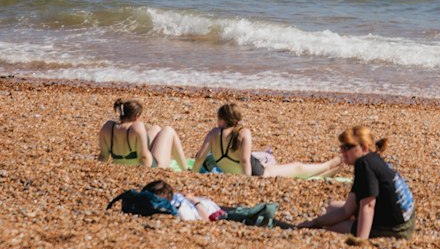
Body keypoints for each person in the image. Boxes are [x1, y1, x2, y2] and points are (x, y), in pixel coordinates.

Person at [287, 125, 415, 239]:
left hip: (396, 229)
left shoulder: (364, 164)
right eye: (342, 147)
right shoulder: (373, 159)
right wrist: (314, 222)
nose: (342, 151)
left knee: (332, 226)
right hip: (405, 219)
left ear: (364, 147)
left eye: (347, 147)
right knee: (331, 207)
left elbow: (368, 205)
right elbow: (347, 209)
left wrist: (360, 241)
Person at [192, 102, 340, 180]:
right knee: (297, 168)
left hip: (233, 170)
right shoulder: (244, 133)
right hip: (256, 173)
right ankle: (328, 165)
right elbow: (244, 161)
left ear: (222, 119)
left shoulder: (213, 133)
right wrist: (248, 180)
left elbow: (199, 157)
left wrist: (192, 173)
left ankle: (326, 171)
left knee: (288, 169)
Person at [98, 98, 189, 171]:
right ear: (137, 115)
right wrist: (148, 174)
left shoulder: (108, 127)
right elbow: (144, 157)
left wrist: (101, 171)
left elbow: (103, 156)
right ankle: (185, 169)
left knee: (156, 128)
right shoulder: (137, 127)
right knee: (168, 131)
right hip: (153, 167)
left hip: (121, 163)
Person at [144, 178, 222, 221]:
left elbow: (206, 219)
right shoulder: (171, 199)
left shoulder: (182, 212)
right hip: (197, 202)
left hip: (210, 210)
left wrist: (194, 200)